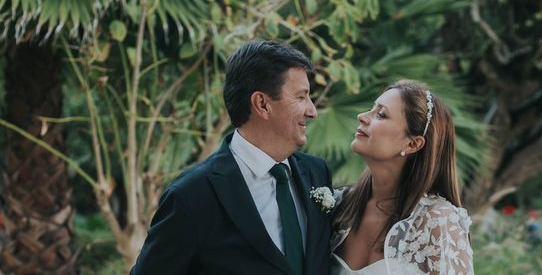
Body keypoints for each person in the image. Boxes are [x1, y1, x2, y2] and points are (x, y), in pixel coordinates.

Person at [131, 40, 333, 275]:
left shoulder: (317, 173)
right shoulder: (191, 195)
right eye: (301, 97)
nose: (312, 111)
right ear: (262, 104)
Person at [331, 80, 473, 275]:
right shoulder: (339, 204)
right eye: (371, 109)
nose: (362, 117)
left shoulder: (437, 222)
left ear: (413, 144)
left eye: (381, 114)